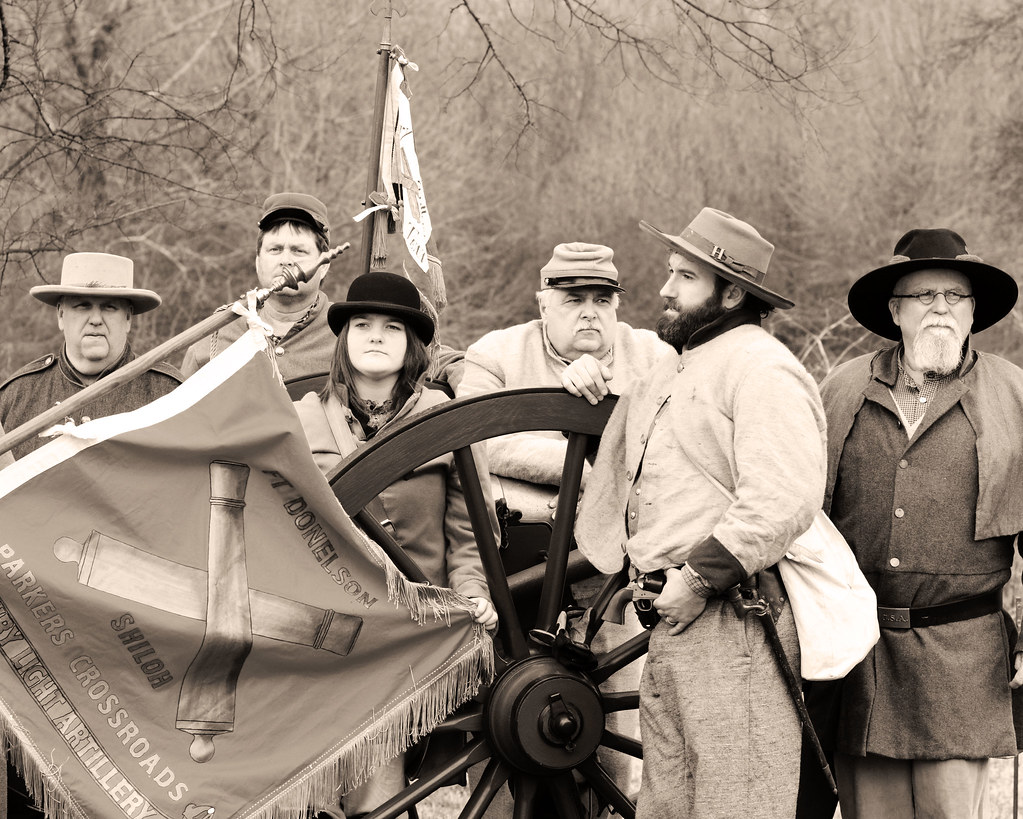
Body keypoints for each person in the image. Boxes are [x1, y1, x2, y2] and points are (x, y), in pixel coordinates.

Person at [575, 207, 827, 818]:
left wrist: (695, 579)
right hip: (671, 619)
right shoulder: (671, 366)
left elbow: (782, 496)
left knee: (735, 803)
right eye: (670, 272)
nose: (664, 289)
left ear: (733, 292)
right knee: (668, 804)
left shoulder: (763, 368)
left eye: (685, 277)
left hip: (733, 619)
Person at [816, 228, 1023, 819]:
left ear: (974, 311)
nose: (940, 309)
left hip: (964, 661)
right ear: (895, 310)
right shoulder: (842, 390)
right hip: (860, 657)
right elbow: (803, 521)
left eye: (955, 297)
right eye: (925, 295)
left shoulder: (1014, 396)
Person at [293, 270, 497, 819]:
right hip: (322, 623)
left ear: (412, 345)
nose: (375, 335)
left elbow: (469, 532)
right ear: (344, 339)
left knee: (370, 762)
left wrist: (473, 592)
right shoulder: (303, 421)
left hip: (414, 630)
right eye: (362, 324)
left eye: (392, 327)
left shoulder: (445, 421)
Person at [454, 242, 670, 486]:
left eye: (602, 301)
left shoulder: (655, 355)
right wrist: (590, 467)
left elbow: (674, 445)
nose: (590, 313)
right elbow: (474, 439)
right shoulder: (496, 354)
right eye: (574, 301)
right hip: (522, 518)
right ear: (544, 308)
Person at [0, 252, 182, 461]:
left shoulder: (170, 395)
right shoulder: (16, 397)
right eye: (83, 306)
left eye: (109, 307)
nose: (96, 319)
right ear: (61, 315)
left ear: (128, 317)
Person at [180, 192, 336, 386]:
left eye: (299, 251)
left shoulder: (348, 335)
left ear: (323, 266)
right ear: (258, 262)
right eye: (275, 249)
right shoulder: (215, 334)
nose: (285, 260)